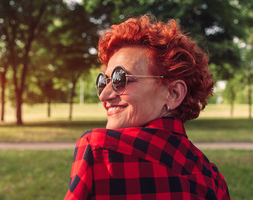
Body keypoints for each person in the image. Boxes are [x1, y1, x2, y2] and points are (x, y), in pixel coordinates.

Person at [64, 14, 230, 200]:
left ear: (174, 93)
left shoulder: (99, 150)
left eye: (121, 79)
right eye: (104, 81)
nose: (104, 95)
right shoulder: (214, 179)